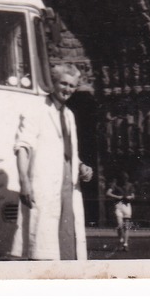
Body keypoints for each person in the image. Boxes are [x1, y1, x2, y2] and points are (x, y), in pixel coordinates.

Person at [13, 63, 93, 260]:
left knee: (67, 242)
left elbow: (68, 151)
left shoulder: (69, 115)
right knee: (43, 245)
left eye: (72, 86)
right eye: (63, 83)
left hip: (68, 186)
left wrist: (82, 166)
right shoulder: (36, 109)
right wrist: (24, 182)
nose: (67, 89)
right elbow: (22, 147)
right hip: (45, 184)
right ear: (53, 83)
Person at [107, 180, 134, 250]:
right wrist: (117, 197)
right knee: (120, 225)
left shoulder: (130, 185)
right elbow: (108, 193)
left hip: (127, 205)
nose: (124, 178)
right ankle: (121, 238)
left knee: (126, 226)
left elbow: (133, 196)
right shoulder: (114, 185)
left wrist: (130, 197)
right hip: (118, 205)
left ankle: (125, 244)